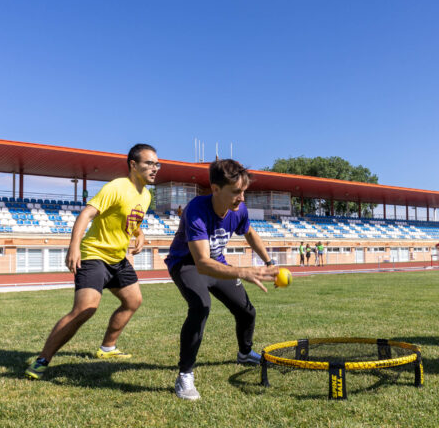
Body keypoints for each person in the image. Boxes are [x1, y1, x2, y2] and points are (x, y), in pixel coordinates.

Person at [26, 144, 159, 380]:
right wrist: (74, 247)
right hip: (94, 255)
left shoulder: (146, 195)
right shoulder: (117, 187)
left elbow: (132, 222)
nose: (154, 168)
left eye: (157, 164)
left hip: (118, 259)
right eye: (149, 163)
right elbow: (86, 214)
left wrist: (140, 235)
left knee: (133, 301)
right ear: (133, 165)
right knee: (86, 309)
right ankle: (42, 360)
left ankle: (107, 348)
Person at [165, 159, 278, 400]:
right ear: (215, 189)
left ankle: (245, 353)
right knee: (200, 306)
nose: (242, 198)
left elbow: (249, 233)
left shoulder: (239, 209)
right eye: (236, 192)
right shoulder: (196, 209)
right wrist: (244, 272)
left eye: (244, 191)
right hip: (187, 265)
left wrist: (269, 263)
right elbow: (202, 262)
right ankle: (185, 375)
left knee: (247, 311)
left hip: (217, 263)